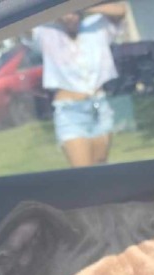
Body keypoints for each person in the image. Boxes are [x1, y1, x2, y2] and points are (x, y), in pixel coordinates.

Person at [33, 5, 127, 168]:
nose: (70, 17)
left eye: (73, 12)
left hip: (99, 107)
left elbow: (121, 10)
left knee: (101, 168)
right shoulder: (46, 32)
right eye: (65, 13)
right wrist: (56, 9)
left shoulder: (95, 28)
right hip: (70, 111)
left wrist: (80, 4)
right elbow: (23, 23)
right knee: (83, 172)